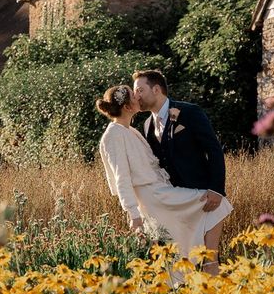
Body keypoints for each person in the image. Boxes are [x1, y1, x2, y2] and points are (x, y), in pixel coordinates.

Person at [96, 84, 232, 275]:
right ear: (127, 107)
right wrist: (133, 214)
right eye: (133, 95)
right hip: (152, 197)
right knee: (215, 204)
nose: (137, 96)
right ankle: (209, 266)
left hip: (161, 190)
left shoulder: (132, 130)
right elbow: (122, 177)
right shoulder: (113, 134)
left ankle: (198, 271)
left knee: (183, 235)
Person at [132, 70, 228, 264]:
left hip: (201, 197)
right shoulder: (147, 125)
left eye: (140, 90)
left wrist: (216, 189)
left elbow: (214, 149)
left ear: (157, 89)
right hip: (174, 203)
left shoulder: (190, 112)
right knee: (181, 259)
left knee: (208, 258)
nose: (136, 96)